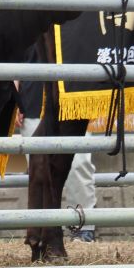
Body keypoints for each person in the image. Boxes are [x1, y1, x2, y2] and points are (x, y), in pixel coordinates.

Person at [16, 58, 97, 243]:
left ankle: (83, 226)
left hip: (74, 99)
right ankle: (47, 228)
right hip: (34, 100)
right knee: (40, 171)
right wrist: (14, 99)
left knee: (79, 164)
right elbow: (16, 54)